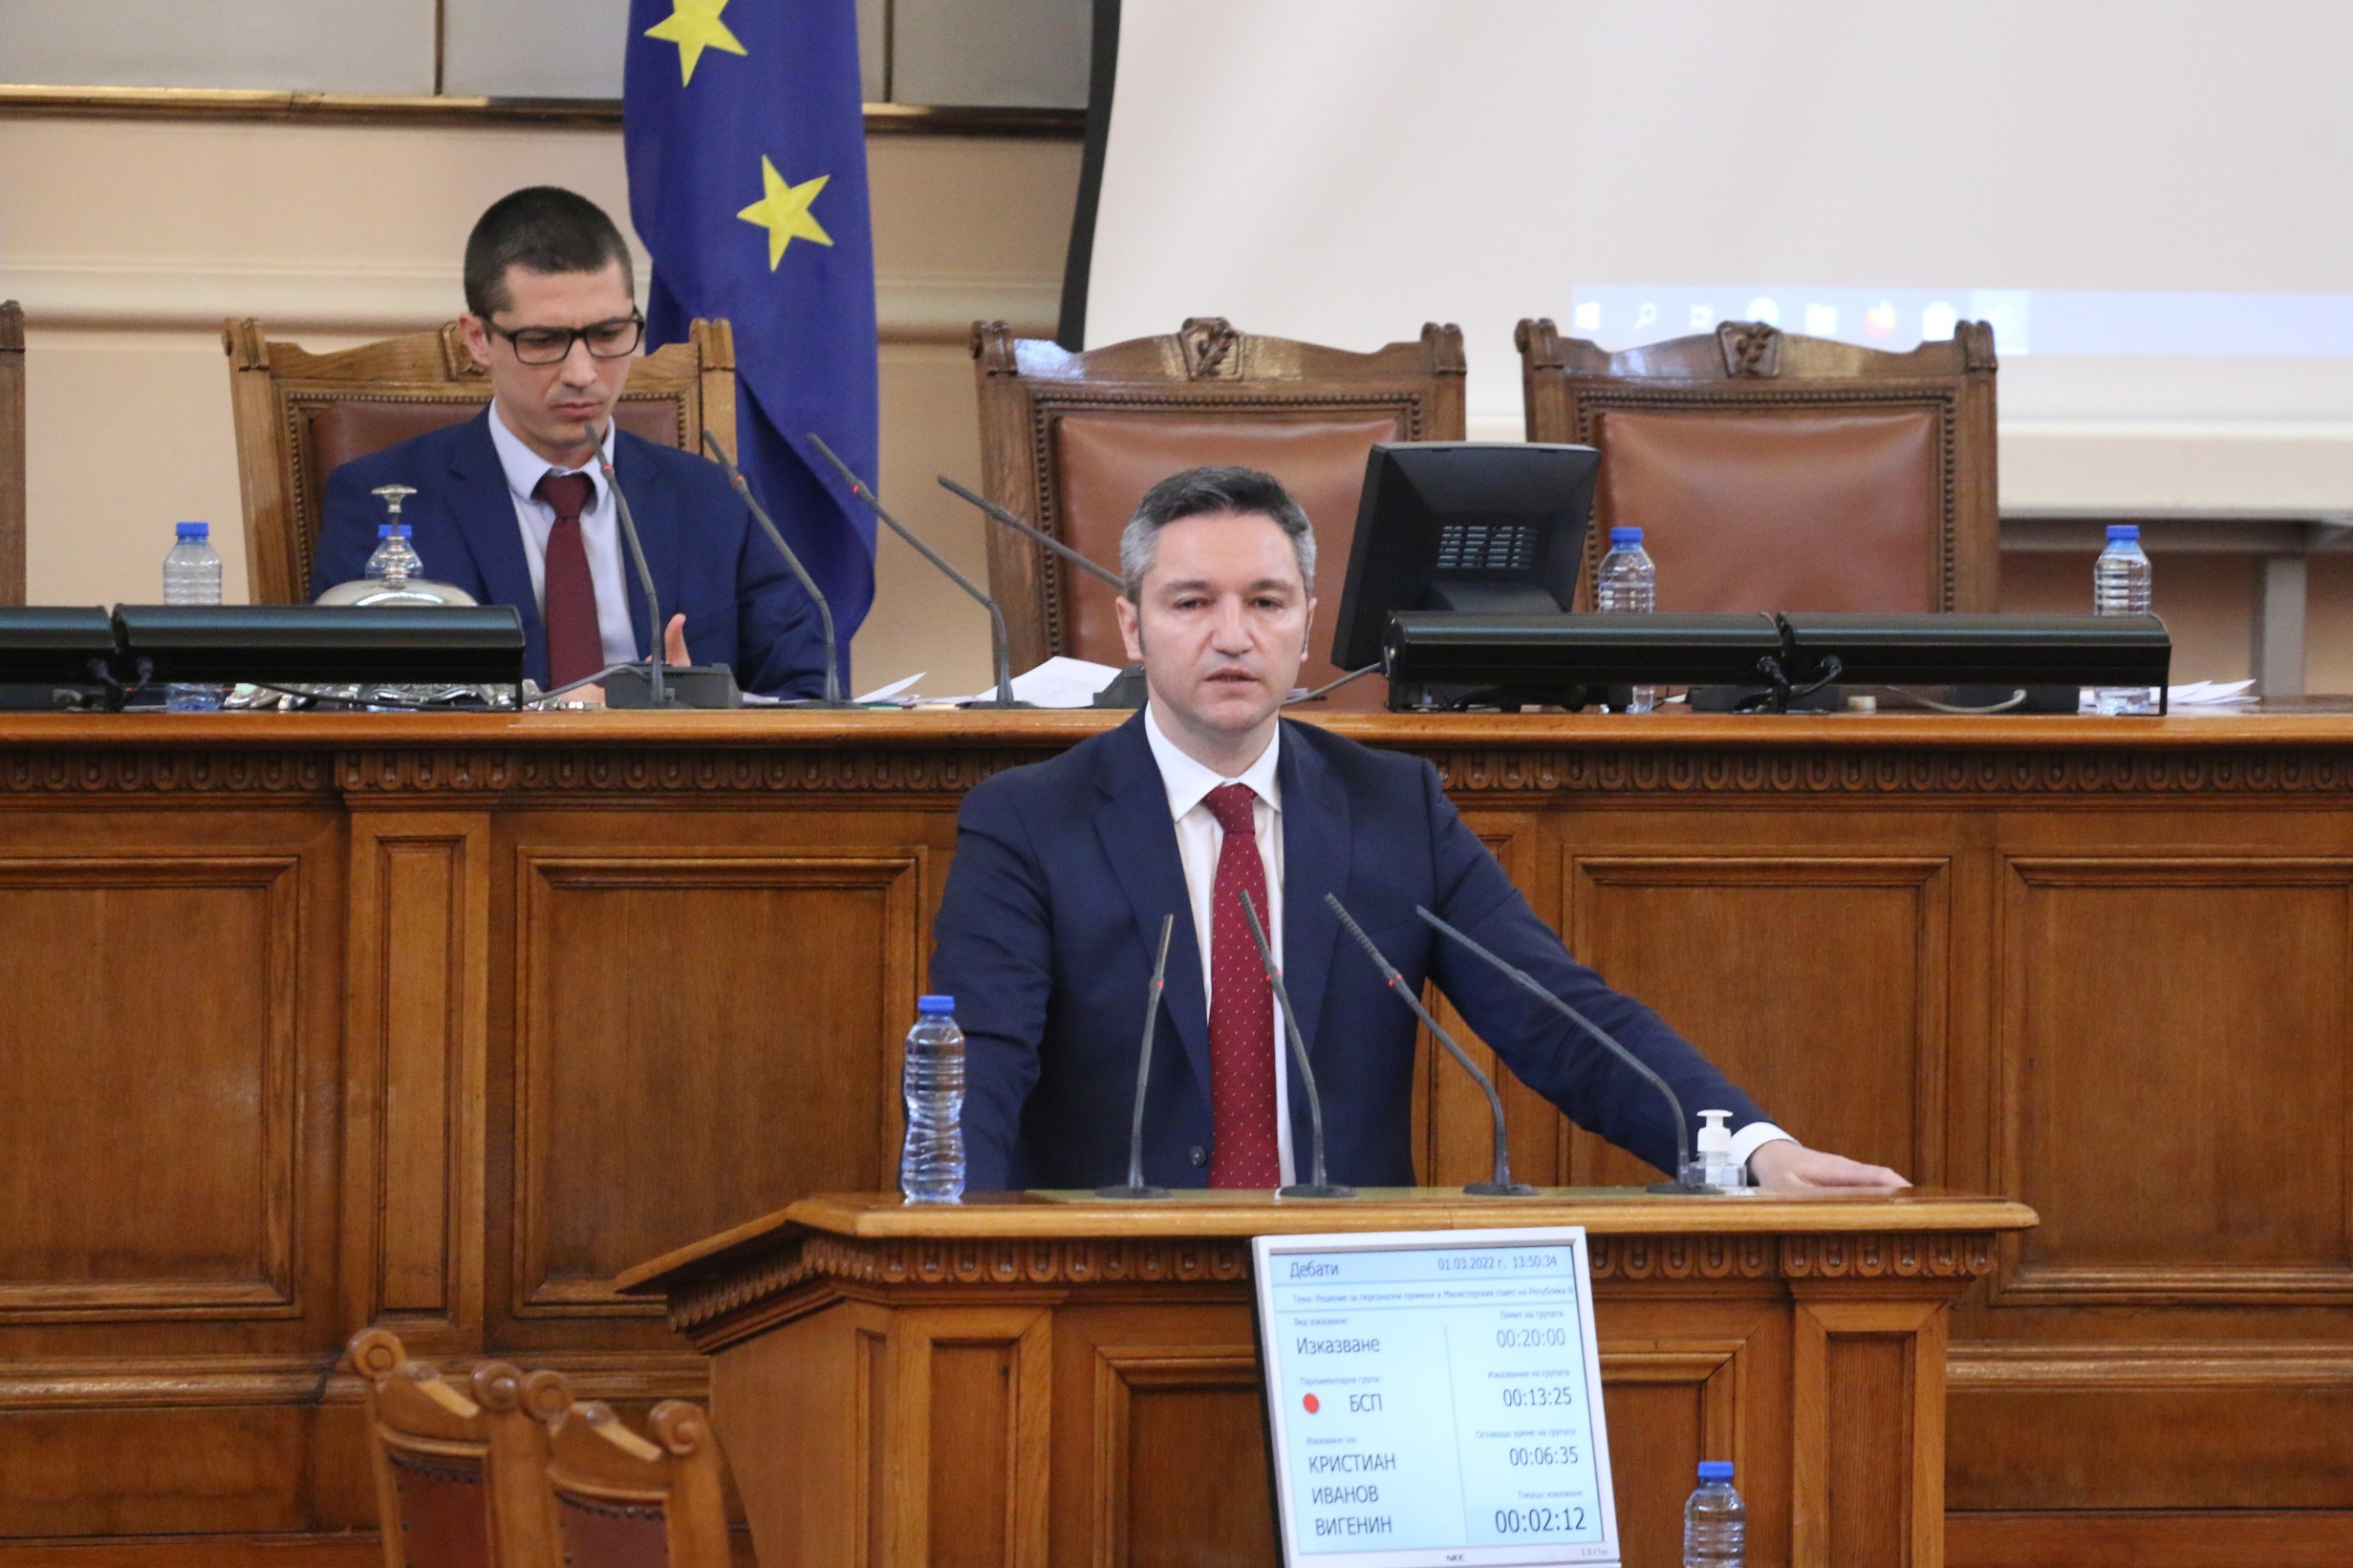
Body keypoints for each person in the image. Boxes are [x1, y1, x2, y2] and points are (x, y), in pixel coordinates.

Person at [931, 464, 1909, 1193]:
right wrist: (963, 1255)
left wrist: (1752, 1149)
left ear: (1306, 624)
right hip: (1111, 1284)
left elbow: (1557, 1016)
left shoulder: (1393, 807)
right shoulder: (1029, 823)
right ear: (1132, 629)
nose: (1232, 635)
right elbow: (983, 1066)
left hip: (1346, 1288)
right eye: (1191, 603)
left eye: (1265, 602)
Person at [312, 186, 829, 698]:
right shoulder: (383, 501)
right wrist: (546, 712)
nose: (582, 373)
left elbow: (810, 694)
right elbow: (343, 702)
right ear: (478, 339)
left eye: (608, 335)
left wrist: (698, 706)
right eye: (544, 341)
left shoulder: (716, 500)